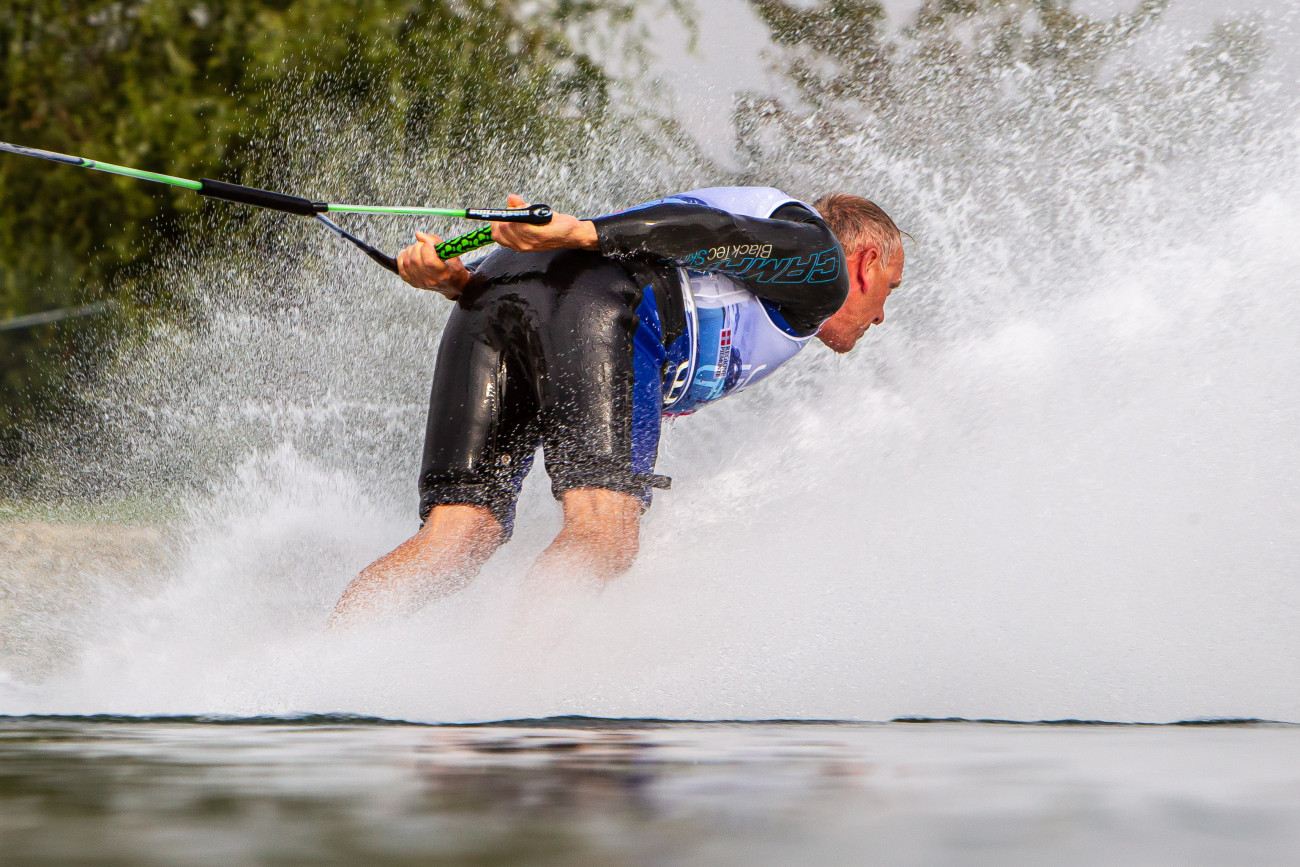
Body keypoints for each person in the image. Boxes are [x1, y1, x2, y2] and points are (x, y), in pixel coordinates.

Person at [330, 187, 905, 624]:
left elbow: (555, 293)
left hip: (497, 291)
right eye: (889, 290)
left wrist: (454, 281)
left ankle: (320, 673)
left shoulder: (773, 256)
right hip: (604, 299)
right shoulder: (822, 265)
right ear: (865, 262)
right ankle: (514, 698)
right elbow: (713, 231)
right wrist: (582, 232)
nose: (880, 315)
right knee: (604, 533)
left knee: (458, 537)